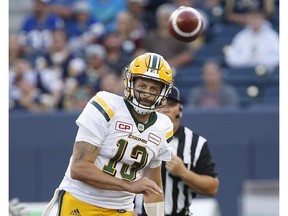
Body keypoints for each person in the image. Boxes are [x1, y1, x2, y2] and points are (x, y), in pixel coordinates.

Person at [42, 52, 174, 216]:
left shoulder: (163, 126)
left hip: (120, 209)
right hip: (81, 202)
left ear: (164, 92)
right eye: (142, 86)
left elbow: (153, 186)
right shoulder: (106, 106)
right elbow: (79, 168)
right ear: (130, 82)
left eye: (154, 88)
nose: (147, 93)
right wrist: (129, 185)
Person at [135, 86, 219, 216]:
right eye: (161, 104)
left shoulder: (196, 143)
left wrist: (183, 172)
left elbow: (212, 187)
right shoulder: (135, 137)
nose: (165, 109)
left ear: (180, 109)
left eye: (171, 104)